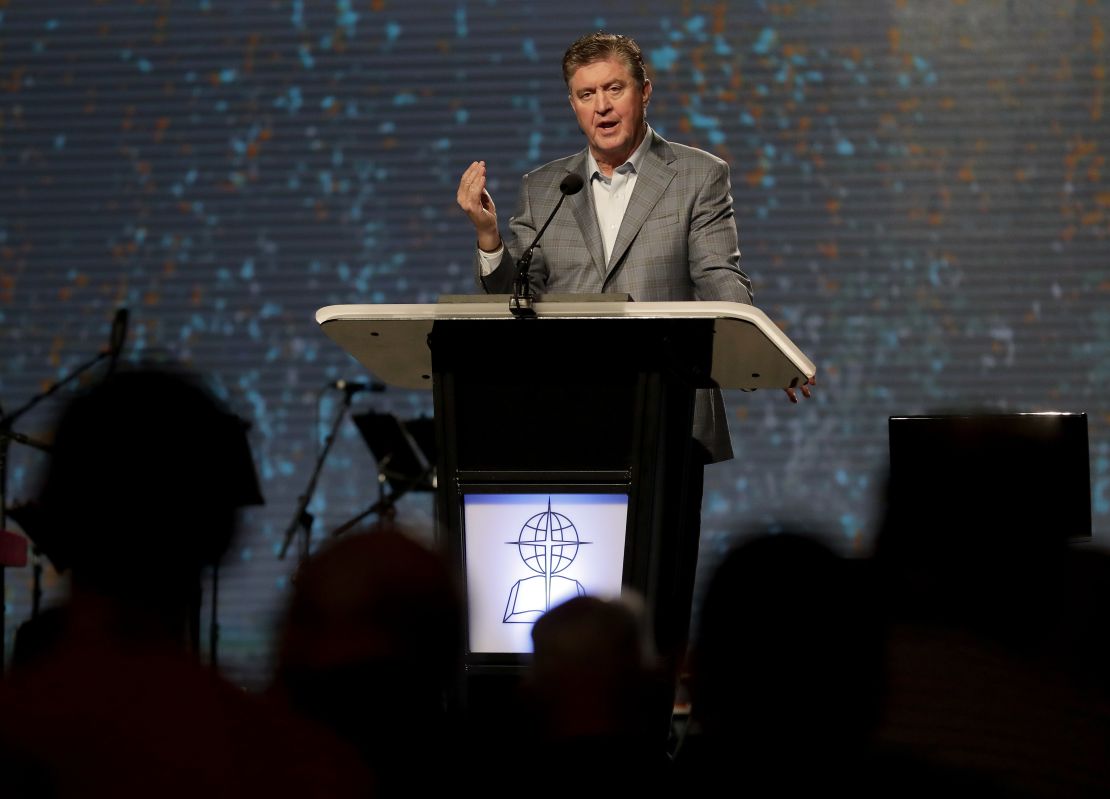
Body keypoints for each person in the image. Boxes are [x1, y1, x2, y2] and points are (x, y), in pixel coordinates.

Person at [455, 29, 815, 450]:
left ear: (644, 92)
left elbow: (718, 277)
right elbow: (517, 297)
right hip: (565, 412)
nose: (602, 106)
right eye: (586, 94)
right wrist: (488, 237)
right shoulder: (545, 187)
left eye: (614, 88)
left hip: (670, 415)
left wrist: (761, 353)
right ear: (573, 105)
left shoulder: (698, 175)